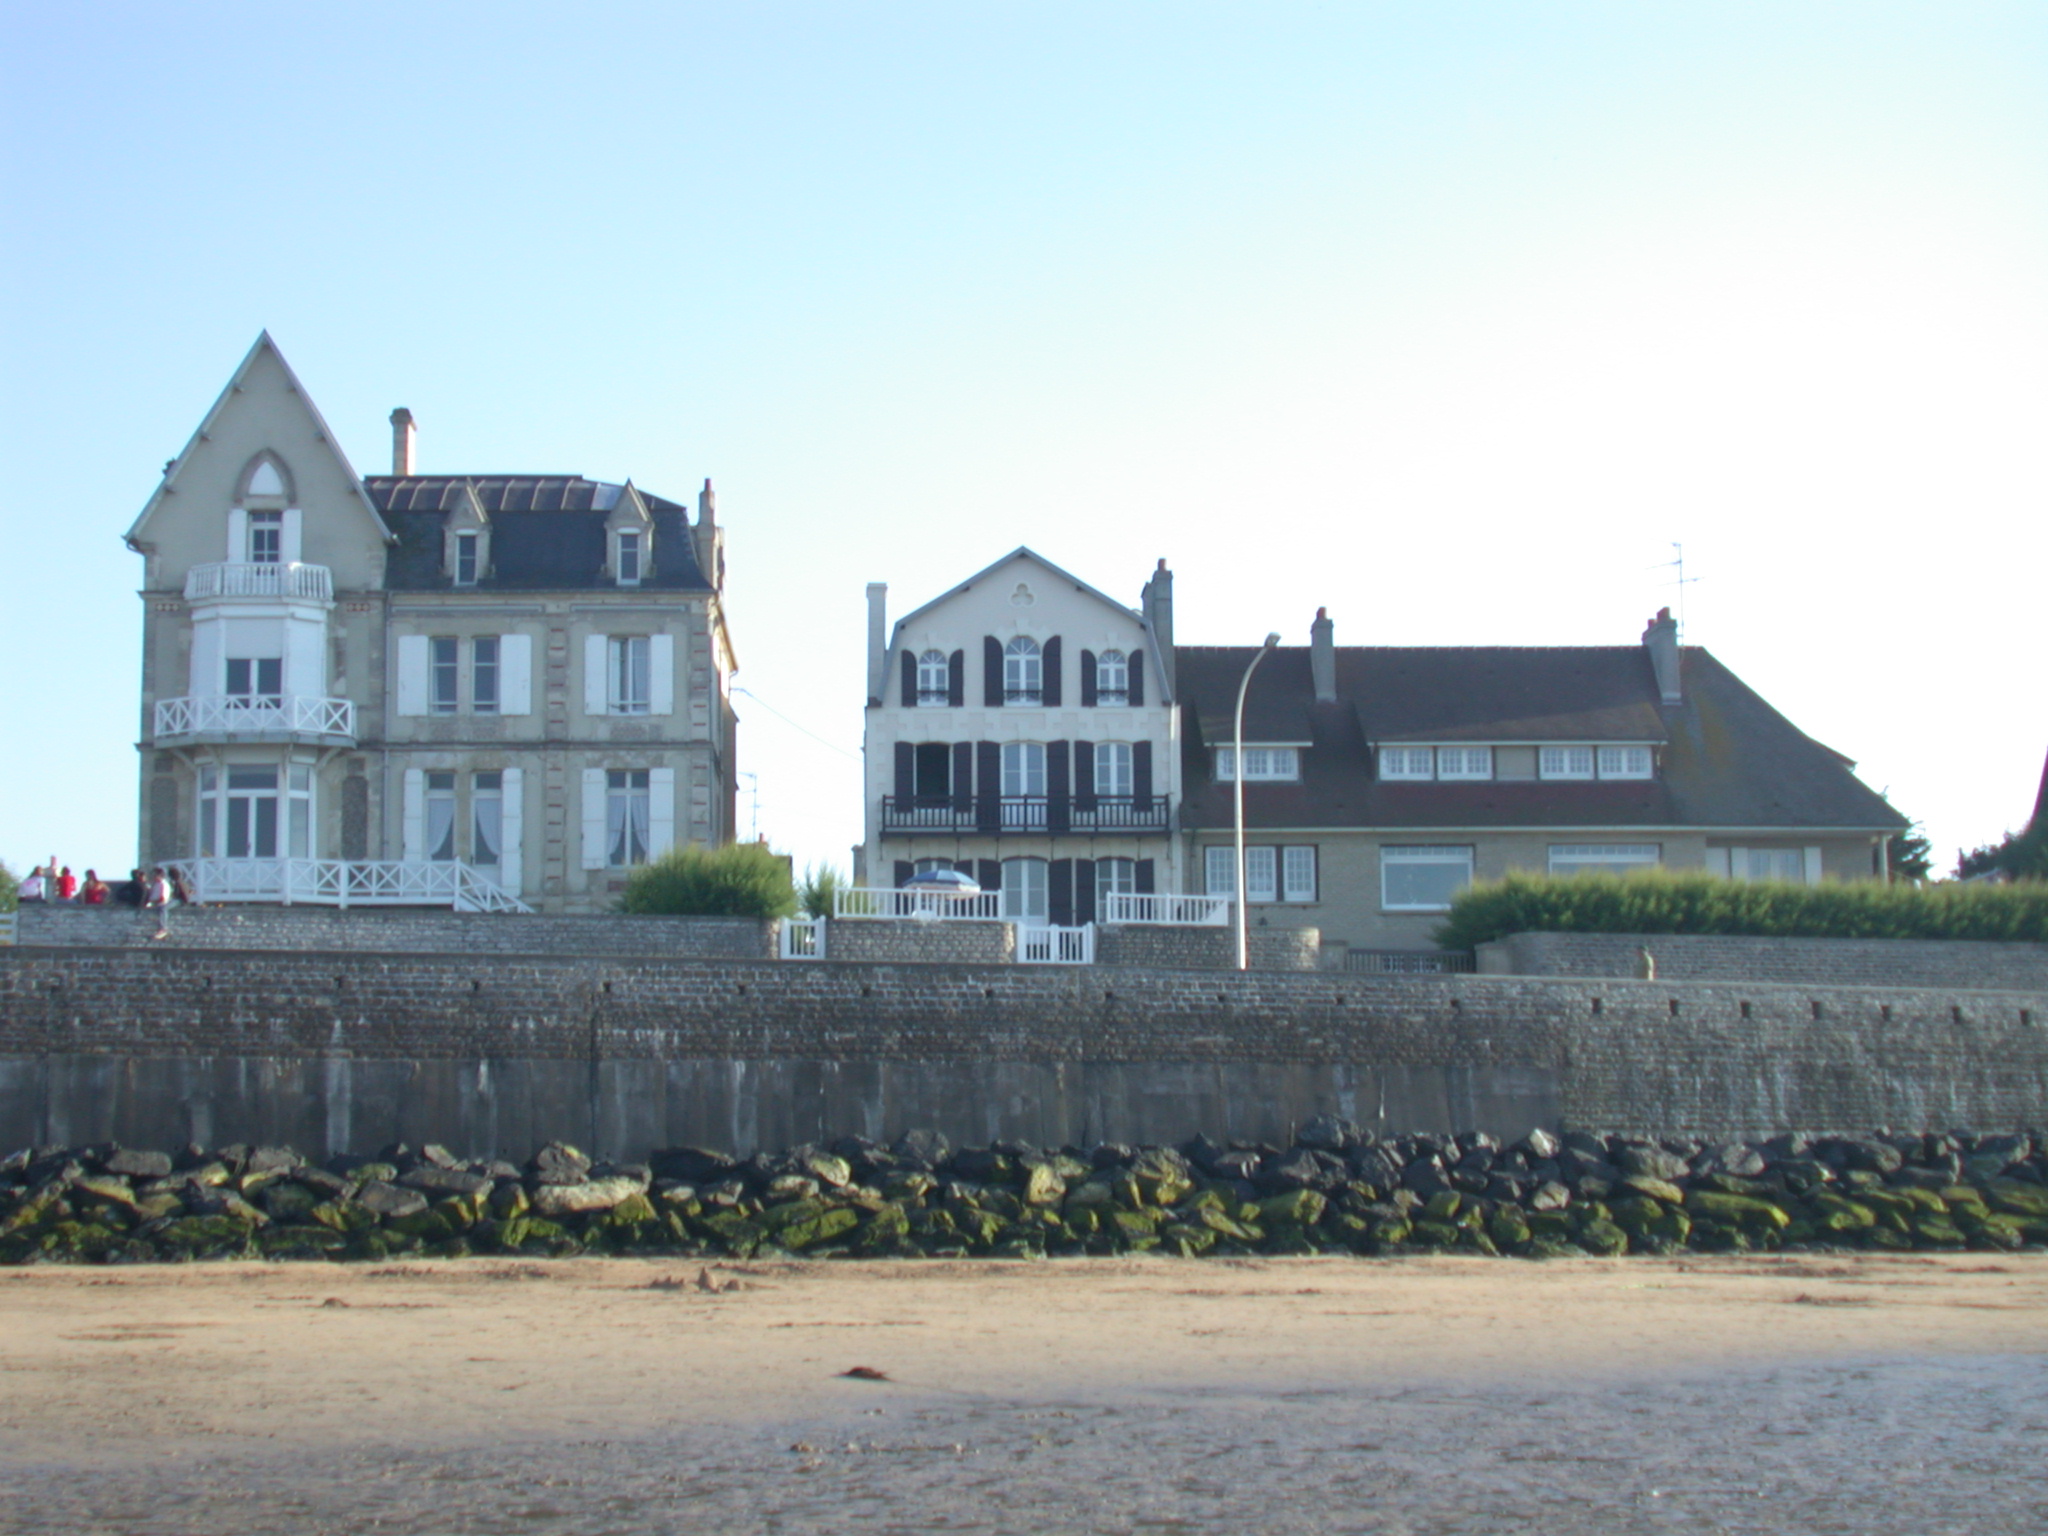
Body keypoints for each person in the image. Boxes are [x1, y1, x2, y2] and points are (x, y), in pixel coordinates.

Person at [144, 867, 172, 940]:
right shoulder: (155, 884)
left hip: (159, 904)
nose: (153, 877)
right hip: (153, 904)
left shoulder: (164, 884)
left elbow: (163, 899)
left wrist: (152, 903)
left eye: (154, 875)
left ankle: (163, 929)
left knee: (163, 910)